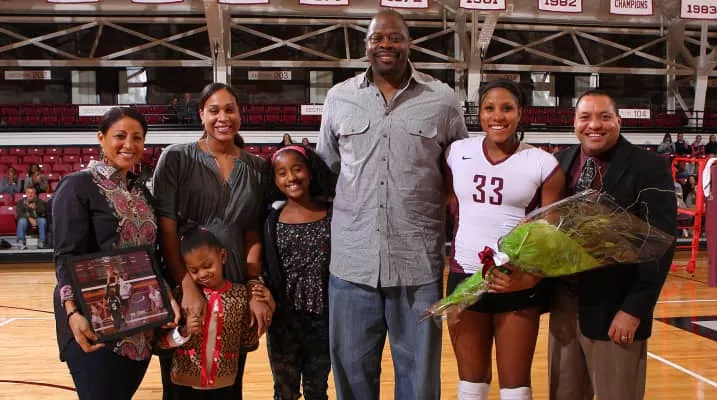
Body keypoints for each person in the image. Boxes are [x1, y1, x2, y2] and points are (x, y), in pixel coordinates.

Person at [316, 9, 469, 399]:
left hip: (417, 265)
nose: (386, 44)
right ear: (366, 45)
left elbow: (459, 171)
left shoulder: (442, 99)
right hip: (352, 264)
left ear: (409, 43)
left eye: (395, 37)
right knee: (351, 377)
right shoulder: (339, 98)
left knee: (419, 380)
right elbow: (327, 169)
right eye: (377, 38)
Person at [548, 90, 677, 400]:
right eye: (585, 117)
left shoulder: (649, 166)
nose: (595, 125)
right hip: (564, 307)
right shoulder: (559, 162)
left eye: (604, 117)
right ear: (574, 122)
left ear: (619, 121)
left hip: (616, 308)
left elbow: (660, 243)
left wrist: (634, 309)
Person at [152, 82, 274, 400]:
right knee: (180, 387)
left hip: (232, 289)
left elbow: (252, 234)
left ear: (240, 114)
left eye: (230, 109)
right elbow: (165, 230)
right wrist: (188, 286)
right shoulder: (176, 157)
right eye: (214, 110)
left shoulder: (258, 168)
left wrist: (253, 286)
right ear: (201, 114)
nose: (223, 117)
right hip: (184, 285)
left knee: (228, 387)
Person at [445, 79, 565, 400]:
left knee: (515, 385)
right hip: (464, 278)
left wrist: (529, 279)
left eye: (507, 108)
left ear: (520, 113)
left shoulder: (543, 163)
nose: (497, 116)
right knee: (470, 383)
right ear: (479, 113)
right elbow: (447, 204)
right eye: (489, 108)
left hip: (516, 281)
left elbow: (552, 236)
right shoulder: (457, 153)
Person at [52, 107, 180, 400]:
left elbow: (149, 256)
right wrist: (72, 313)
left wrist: (167, 297)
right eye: (120, 136)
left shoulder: (141, 193)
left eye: (137, 138)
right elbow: (65, 257)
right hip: (93, 323)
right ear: (101, 138)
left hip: (140, 327)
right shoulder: (77, 186)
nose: (129, 144)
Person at [159, 223, 267, 399]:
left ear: (222, 256)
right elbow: (162, 342)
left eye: (207, 265)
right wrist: (184, 331)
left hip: (224, 385)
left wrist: (259, 325)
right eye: (194, 270)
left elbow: (246, 341)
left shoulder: (240, 295)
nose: (202, 274)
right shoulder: (182, 298)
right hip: (184, 384)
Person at [263, 145, 334, 400]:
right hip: (284, 319)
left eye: (297, 169)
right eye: (282, 173)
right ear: (274, 180)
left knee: (317, 389)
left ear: (310, 172)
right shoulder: (270, 219)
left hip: (323, 317)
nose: (291, 177)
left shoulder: (332, 213)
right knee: (284, 390)